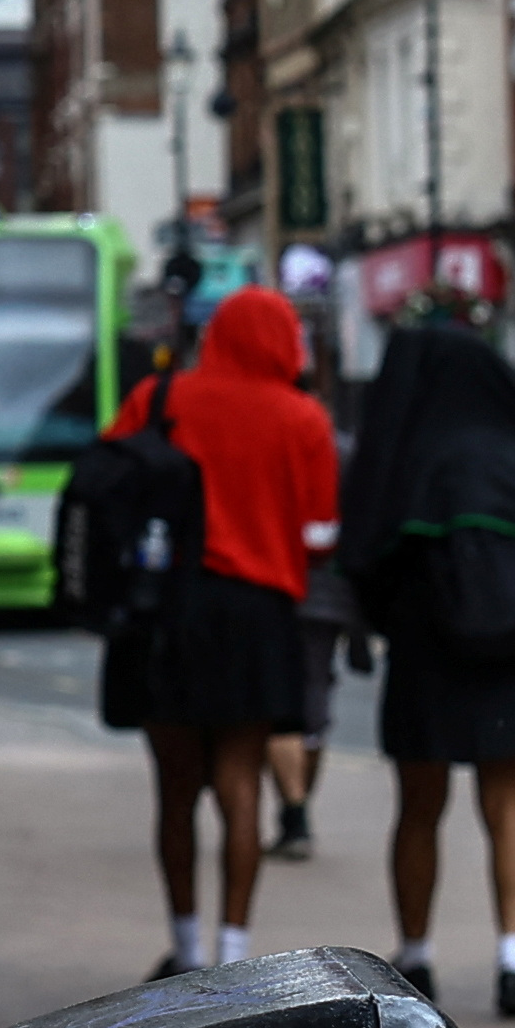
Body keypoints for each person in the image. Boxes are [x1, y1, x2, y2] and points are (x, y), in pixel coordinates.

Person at [338, 315, 515, 1020]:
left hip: (426, 650)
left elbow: (366, 545)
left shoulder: (412, 445)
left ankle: (417, 952)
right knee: (509, 807)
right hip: (514, 653)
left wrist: (369, 621)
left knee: (419, 807)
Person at [116, 283, 346, 977]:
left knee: (175, 788)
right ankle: (233, 951)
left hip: (168, 612)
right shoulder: (303, 418)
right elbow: (321, 534)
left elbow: (110, 485)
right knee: (240, 782)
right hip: (257, 613)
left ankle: (184, 945)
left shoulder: (156, 400)